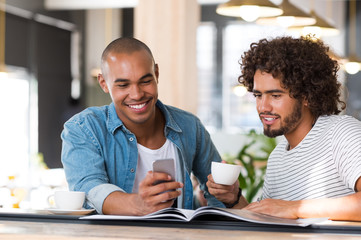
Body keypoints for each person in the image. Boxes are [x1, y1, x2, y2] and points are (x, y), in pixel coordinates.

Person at [61, 37, 224, 215]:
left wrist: (224, 196)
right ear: (103, 83)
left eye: (145, 81)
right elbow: (89, 189)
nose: (137, 95)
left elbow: (219, 195)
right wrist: (139, 204)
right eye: (123, 85)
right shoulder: (83, 128)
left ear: (156, 73)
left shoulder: (190, 126)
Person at [207, 35, 361, 221]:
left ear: (306, 96)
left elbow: (288, 210)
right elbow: (269, 216)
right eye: (258, 95)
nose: (263, 107)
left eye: (275, 95)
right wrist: (234, 199)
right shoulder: (278, 157)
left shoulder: (340, 132)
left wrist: (296, 208)